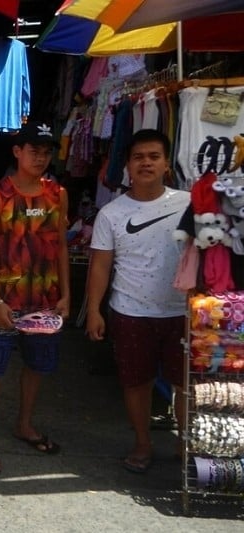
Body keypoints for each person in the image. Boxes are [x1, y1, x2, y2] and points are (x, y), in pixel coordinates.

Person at [85, 129, 190, 474]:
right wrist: (95, 311)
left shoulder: (189, 203)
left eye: (154, 156)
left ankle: (186, 443)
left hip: (183, 312)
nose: (146, 163)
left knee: (187, 383)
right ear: (128, 165)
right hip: (129, 311)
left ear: (165, 164)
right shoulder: (112, 213)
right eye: (138, 157)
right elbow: (101, 265)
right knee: (136, 382)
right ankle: (142, 444)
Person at [0, 121, 70, 476]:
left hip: (45, 300)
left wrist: (66, 295)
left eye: (46, 152)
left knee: (37, 366)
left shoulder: (56, 193)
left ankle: (24, 424)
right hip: (6, 301)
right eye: (34, 151)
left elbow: (60, 244)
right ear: (17, 151)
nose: (41, 158)